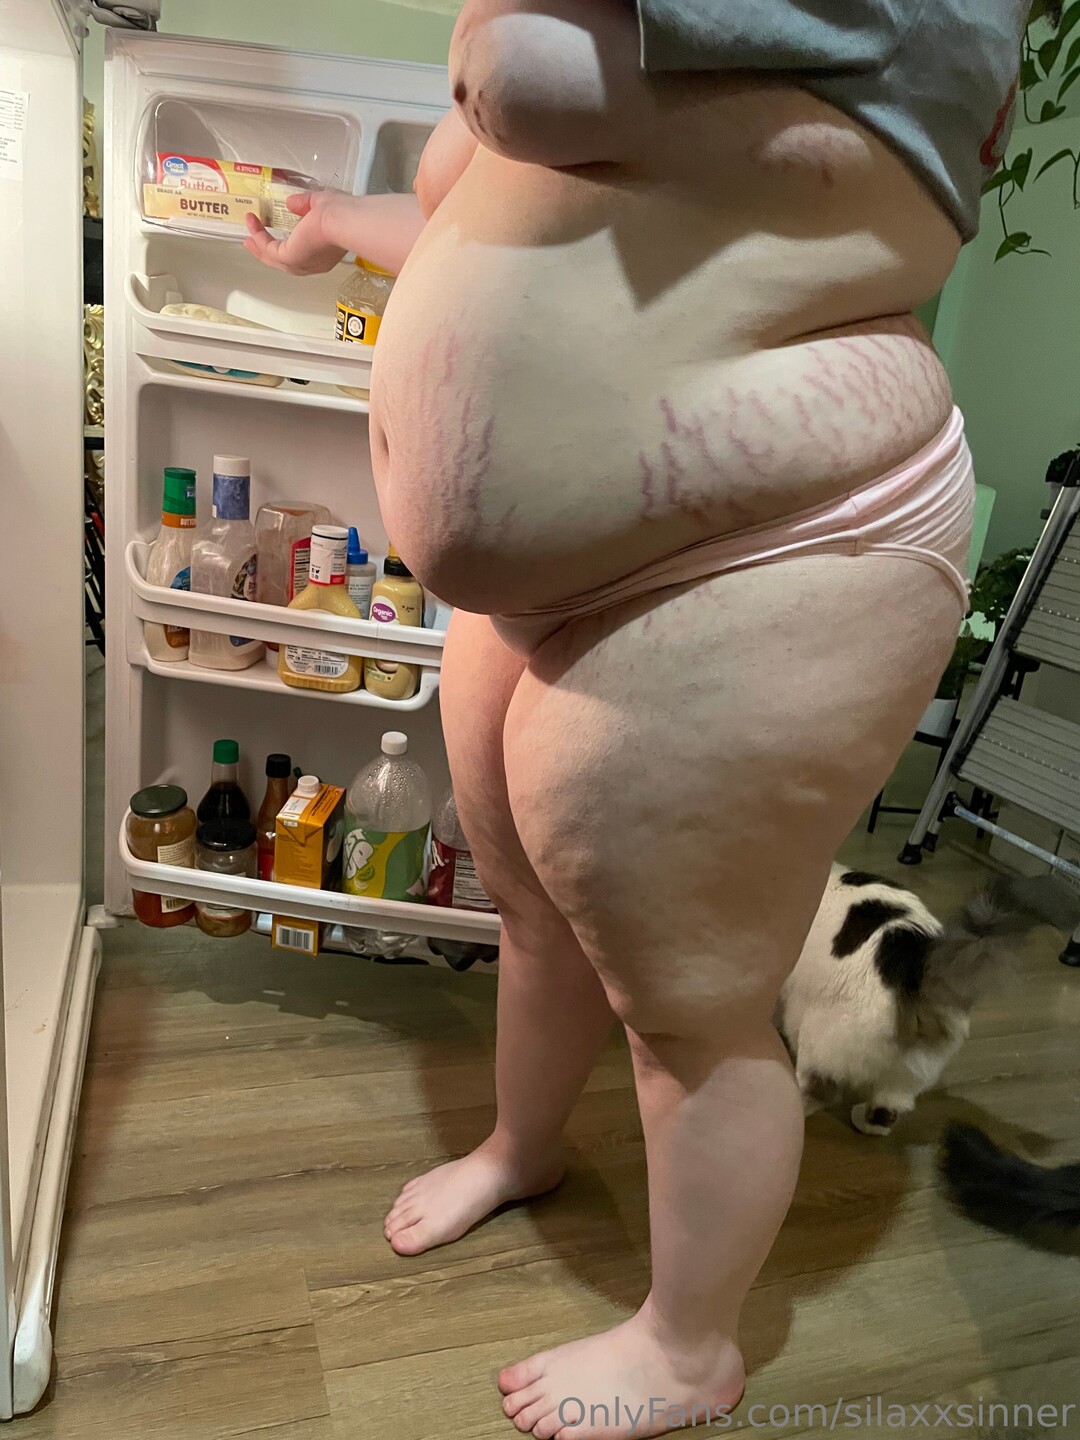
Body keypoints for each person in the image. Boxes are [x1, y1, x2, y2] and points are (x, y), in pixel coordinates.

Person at [245, 3, 1028, 1435]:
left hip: (785, 536)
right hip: (563, 573)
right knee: (529, 903)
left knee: (690, 1005)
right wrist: (346, 223)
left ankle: (689, 1348)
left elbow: (577, 110)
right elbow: (529, 222)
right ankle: (522, 1146)